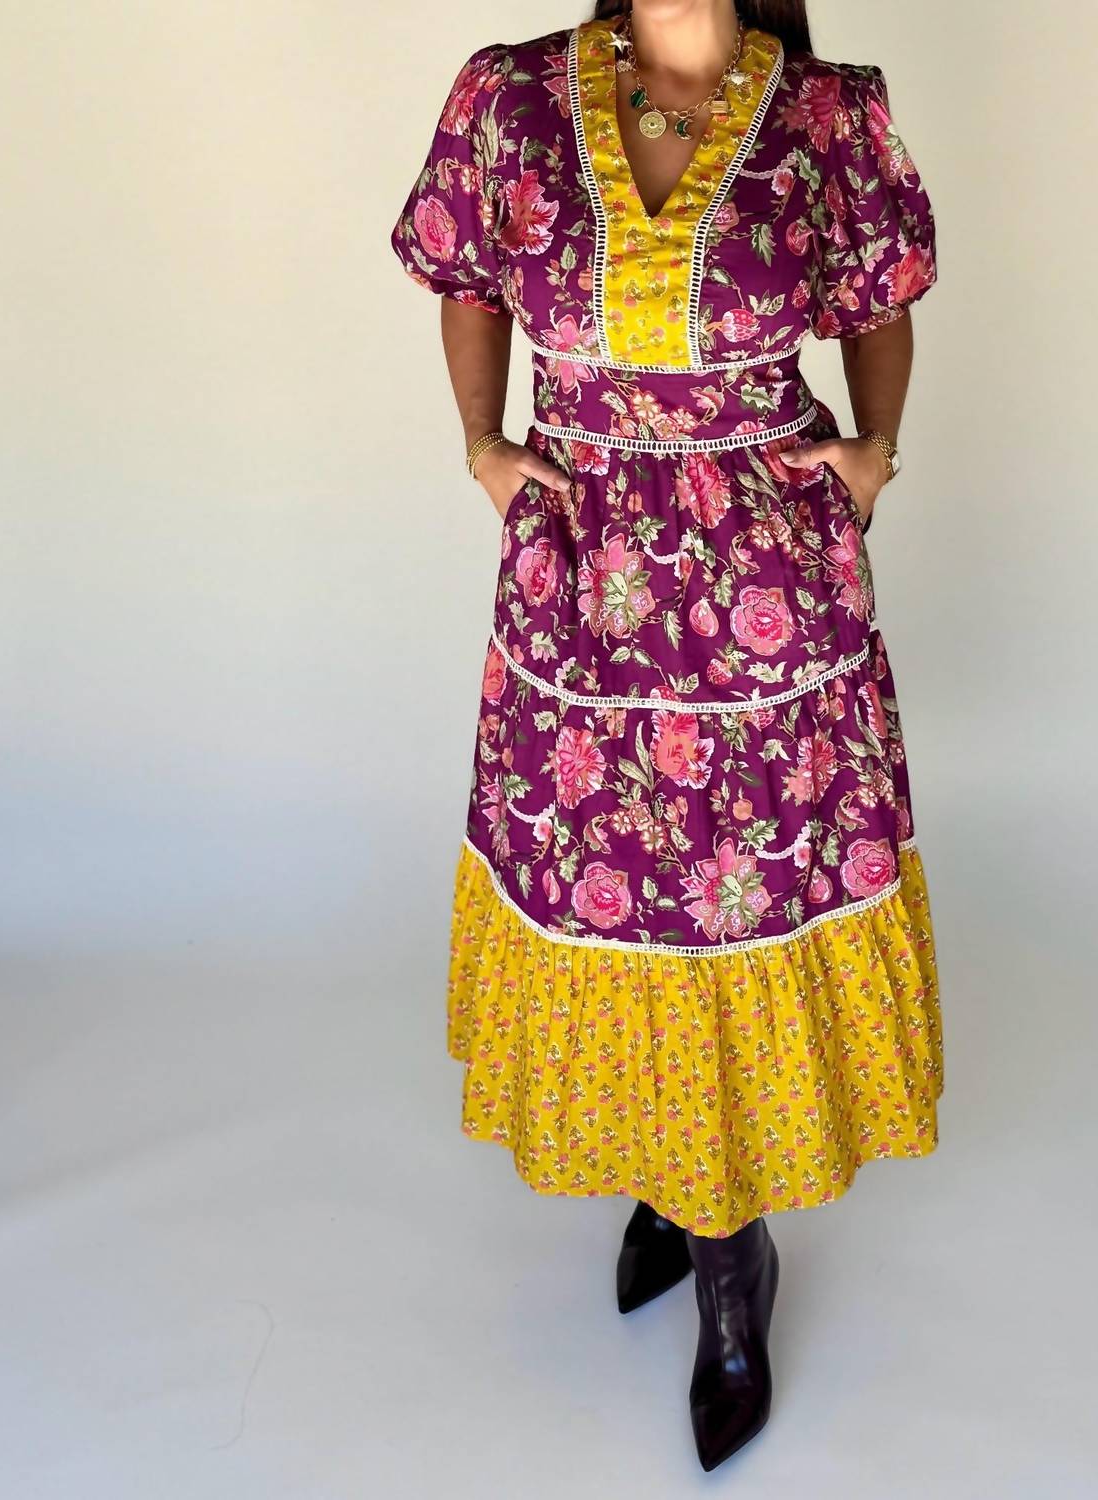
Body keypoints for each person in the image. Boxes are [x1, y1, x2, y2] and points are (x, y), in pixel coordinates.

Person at [390, 0, 943, 1470]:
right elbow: (465, 274)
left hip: (765, 585)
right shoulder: (512, 97)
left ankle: (730, 1256)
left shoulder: (826, 114)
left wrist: (874, 453)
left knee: (734, 898)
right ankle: (668, 1167)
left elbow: (881, 297)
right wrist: (487, 445)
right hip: (581, 572)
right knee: (615, 887)